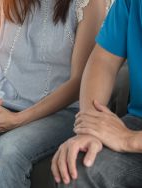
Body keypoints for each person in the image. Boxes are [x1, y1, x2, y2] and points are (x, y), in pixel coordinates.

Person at [0, 0, 111, 187]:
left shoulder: (89, 3)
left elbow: (79, 80)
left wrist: (18, 120)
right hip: (7, 105)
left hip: (64, 112)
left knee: (6, 154)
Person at [51, 0, 142, 187]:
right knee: (77, 167)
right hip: (137, 122)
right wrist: (91, 130)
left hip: (134, 137)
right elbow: (103, 61)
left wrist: (129, 140)